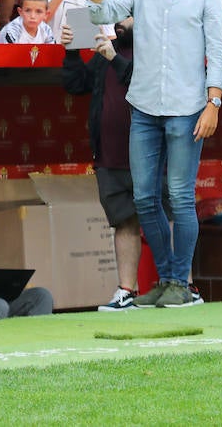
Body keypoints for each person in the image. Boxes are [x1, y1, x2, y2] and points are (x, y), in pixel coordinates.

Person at [89, 0, 222, 309]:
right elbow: (99, 15)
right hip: (145, 108)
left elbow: (218, 50)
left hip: (188, 108)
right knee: (146, 198)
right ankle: (169, 279)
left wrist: (213, 101)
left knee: (180, 198)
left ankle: (181, 282)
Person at [61, 18, 141, 310]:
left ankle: (178, 285)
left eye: (128, 14)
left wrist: (113, 57)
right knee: (123, 222)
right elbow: (75, 84)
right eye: (118, 14)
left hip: (153, 155)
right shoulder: (107, 51)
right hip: (110, 154)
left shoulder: (157, 48)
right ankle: (126, 290)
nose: (120, 22)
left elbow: (142, 80)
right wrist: (71, 50)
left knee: (167, 220)